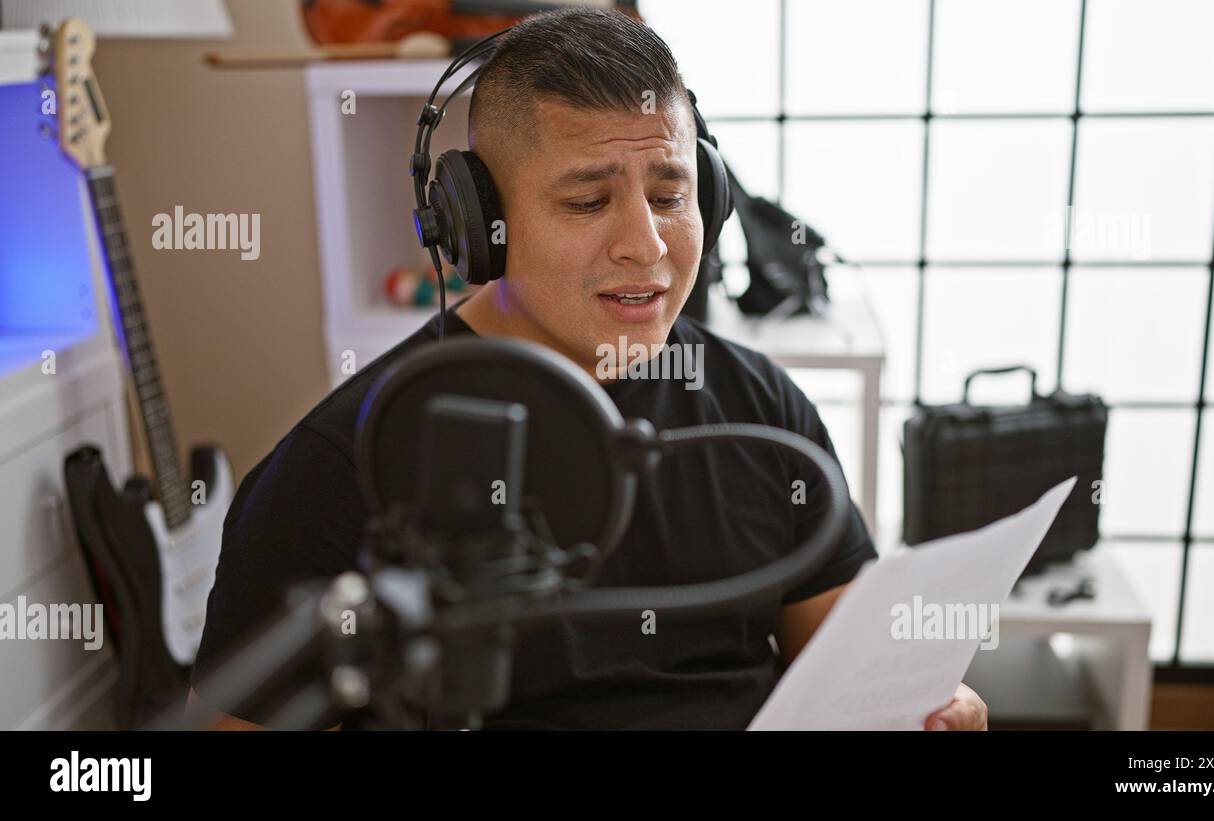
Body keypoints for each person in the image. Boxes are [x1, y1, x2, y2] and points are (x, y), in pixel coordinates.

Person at [189, 7, 987, 731]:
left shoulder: (765, 408)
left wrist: (922, 711)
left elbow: (852, 677)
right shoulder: (339, 466)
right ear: (482, 229)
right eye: (587, 202)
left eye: (671, 193)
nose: (645, 244)